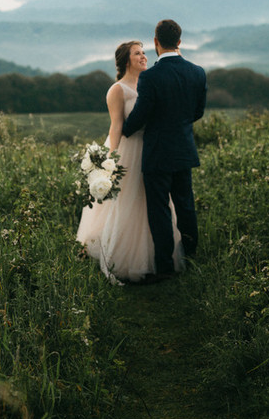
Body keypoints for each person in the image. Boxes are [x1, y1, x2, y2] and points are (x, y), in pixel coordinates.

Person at [76, 40, 185, 283]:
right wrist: (109, 160)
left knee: (154, 204)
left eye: (144, 52)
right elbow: (116, 126)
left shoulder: (149, 83)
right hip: (128, 150)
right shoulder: (117, 90)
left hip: (153, 150)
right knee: (128, 202)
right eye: (138, 53)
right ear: (126, 60)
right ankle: (125, 259)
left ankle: (157, 259)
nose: (144, 57)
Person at [123, 19, 207, 281]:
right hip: (183, 149)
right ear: (179, 42)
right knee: (185, 205)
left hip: (158, 152)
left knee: (159, 210)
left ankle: (165, 267)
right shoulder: (198, 72)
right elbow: (198, 112)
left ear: (156, 42)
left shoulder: (150, 77)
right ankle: (191, 258)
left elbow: (141, 115)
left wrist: (124, 129)